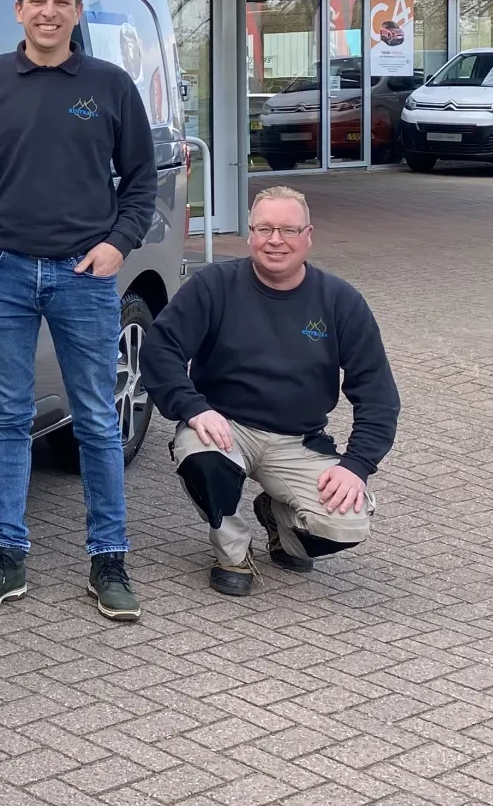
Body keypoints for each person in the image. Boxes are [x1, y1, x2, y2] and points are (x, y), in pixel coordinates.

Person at [0, 0, 158, 622]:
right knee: (7, 419)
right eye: (37, 0)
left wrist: (115, 245)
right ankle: (6, 558)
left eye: (61, 1)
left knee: (94, 418)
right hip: (1, 272)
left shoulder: (110, 85)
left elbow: (142, 183)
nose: (48, 11)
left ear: (75, 9)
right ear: (17, 9)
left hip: (81, 276)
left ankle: (109, 561)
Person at [139, 185, 400, 596]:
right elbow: (159, 349)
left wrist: (357, 465)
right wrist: (192, 407)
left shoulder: (340, 301)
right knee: (202, 457)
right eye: (264, 228)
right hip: (225, 427)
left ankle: (279, 521)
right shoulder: (214, 286)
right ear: (250, 235)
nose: (275, 240)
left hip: (298, 440)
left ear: (308, 236)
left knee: (347, 523)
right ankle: (233, 554)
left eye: (287, 230)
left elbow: (379, 394)